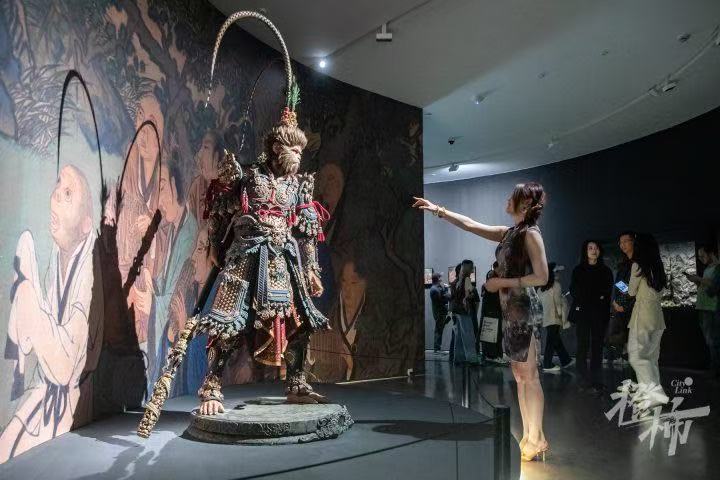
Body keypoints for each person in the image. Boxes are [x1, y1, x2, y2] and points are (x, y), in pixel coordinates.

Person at [137, 40, 331, 436]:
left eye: (299, 149)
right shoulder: (250, 178)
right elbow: (222, 210)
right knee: (229, 324)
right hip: (246, 258)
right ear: (274, 147)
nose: (296, 155)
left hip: (284, 258)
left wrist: (311, 268)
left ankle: (296, 381)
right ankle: (211, 384)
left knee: (303, 319)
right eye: (289, 147)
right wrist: (220, 229)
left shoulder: (298, 187)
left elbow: (307, 226)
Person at [413, 181, 550, 462]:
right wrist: (438, 210)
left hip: (523, 308)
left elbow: (542, 276)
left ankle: (537, 437)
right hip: (511, 310)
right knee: (520, 376)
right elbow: (471, 225)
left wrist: (501, 282)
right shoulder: (512, 233)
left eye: (513, 196)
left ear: (525, 204)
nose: (507, 199)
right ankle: (530, 434)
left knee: (529, 376)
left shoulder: (531, 234)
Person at [0, 165, 102, 461]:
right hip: (47, 392)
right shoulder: (59, 258)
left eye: (68, 193)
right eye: (58, 184)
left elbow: (65, 363)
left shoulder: (90, 269)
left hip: (71, 402)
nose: (56, 193)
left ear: (86, 224)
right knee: (7, 446)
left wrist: (30, 299)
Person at [627, 233, 669, 411]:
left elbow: (631, 291)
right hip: (657, 316)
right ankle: (654, 395)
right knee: (651, 358)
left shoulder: (637, 265)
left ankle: (654, 396)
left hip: (642, 315)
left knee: (637, 356)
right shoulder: (659, 266)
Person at [570, 240, 613, 393]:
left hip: (599, 314)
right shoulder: (578, 270)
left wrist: (592, 296)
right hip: (583, 313)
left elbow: (607, 291)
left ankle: (596, 380)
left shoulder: (605, 271)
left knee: (597, 347)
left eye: (596, 248)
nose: (594, 251)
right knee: (582, 345)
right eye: (590, 248)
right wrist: (594, 296)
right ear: (585, 251)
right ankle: (582, 380)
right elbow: (574, 290)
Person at [686, 244, 720, 376]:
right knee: (710, 341)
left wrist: (699, 279)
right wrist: (696, 281)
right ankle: (714, 369)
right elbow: (705, 287)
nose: (700, 258)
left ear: (711, 253)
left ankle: (715, 371)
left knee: (713, 341)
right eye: (699, 256)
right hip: (704, 307)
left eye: (702, 255)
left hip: (712, 308)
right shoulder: (708, 269)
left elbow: (714, 288)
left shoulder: (717, 268)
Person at [607, 231, 637, 365]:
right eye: (620, 242)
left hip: (633, 306)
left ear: (633, 242)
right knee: (622, 334)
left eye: (626, 241)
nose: (622, 245)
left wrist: (621, 302)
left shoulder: (636, 263)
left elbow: (633, 288)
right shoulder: (624, 263)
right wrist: (618, 302)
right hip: (622, 305)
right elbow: (622, 285)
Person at [538, 263, 573, 372]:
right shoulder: (556, 285)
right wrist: (562, 316)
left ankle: (566, 360)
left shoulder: (540, 288)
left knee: (555, 339)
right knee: (551, 341)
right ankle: (547, 364)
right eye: (557, 272)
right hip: (554, 316)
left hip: (546, 317)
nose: (559, 274)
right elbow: (558, 302)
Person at [449, 260, 480, 364]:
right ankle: (472, 360)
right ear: (468, 268)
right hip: (464, 311)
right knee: (468, 336)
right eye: (471, 268)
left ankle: (458, 358)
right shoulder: (467, 279)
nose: (472, 270)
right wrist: (471, 294)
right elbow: (467, 294)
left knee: (458, 337)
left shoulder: (456, 281)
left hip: (456, 311)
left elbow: (453, 298)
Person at [479, 262, 509, 364]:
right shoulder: (495, 279)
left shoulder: (489, 282)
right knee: (493, 334)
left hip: (490, 312)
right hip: (493, 312)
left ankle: (491, 355)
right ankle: (494, 356)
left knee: (491, 334)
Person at [429, 272, 451, 352]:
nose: (441, 279)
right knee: (438, 330)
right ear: (437, 279)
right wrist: (446, 291)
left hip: (440, 312)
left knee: (439, 330)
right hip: (439, 313)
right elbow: (441, 300)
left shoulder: (436, 288)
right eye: (440, 277)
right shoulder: (434, 289)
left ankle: (438, 348)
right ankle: (437, 349)